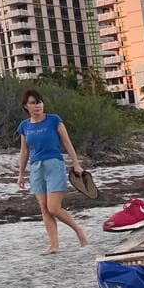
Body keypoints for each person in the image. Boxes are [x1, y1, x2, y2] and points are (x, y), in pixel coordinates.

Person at [16, 89, 88, 254]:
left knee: (54, 207)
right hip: (36, 168)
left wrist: (76, 164)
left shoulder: (54, 120)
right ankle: (54, 245)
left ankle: (79, 231)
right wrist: (21, 174)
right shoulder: (24, 126)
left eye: (39, 101)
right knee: (44, 207)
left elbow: (67, 142)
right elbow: (24, 151)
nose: (38, 105)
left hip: (54, 164)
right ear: (26, 106)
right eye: (33, 103)